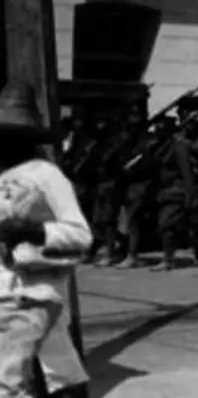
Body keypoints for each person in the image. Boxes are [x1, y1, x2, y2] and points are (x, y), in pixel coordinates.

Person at [0, 83, 92, 398]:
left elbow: (81, 235)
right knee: (61, 371)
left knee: (9, 380)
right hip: (9, 291)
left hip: (33, 292)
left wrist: (31, 230)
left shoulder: (46, 175)